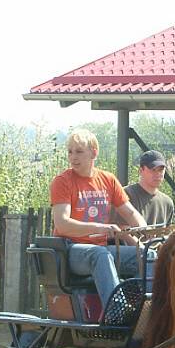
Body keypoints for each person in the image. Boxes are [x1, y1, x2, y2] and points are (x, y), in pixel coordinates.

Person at [50, 129, 147, 312]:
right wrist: (102, 228)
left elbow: (131, 213)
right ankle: (117, 311)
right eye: (70, 152)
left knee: (147, 256)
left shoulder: (108, 180)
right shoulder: (62, 182)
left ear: (94, 152)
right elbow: (62, 224)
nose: (73, 157)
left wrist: (144, 230)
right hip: (71, 251)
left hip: (102, 249)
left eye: (79, 151)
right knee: (101, 255)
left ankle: (144, 308)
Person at [123, 150, 175, 225]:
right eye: (153, 170)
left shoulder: (167, 203)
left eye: (161, 170)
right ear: (141, 171)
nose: (158, 174)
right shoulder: (125, 195)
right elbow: (119, 229)